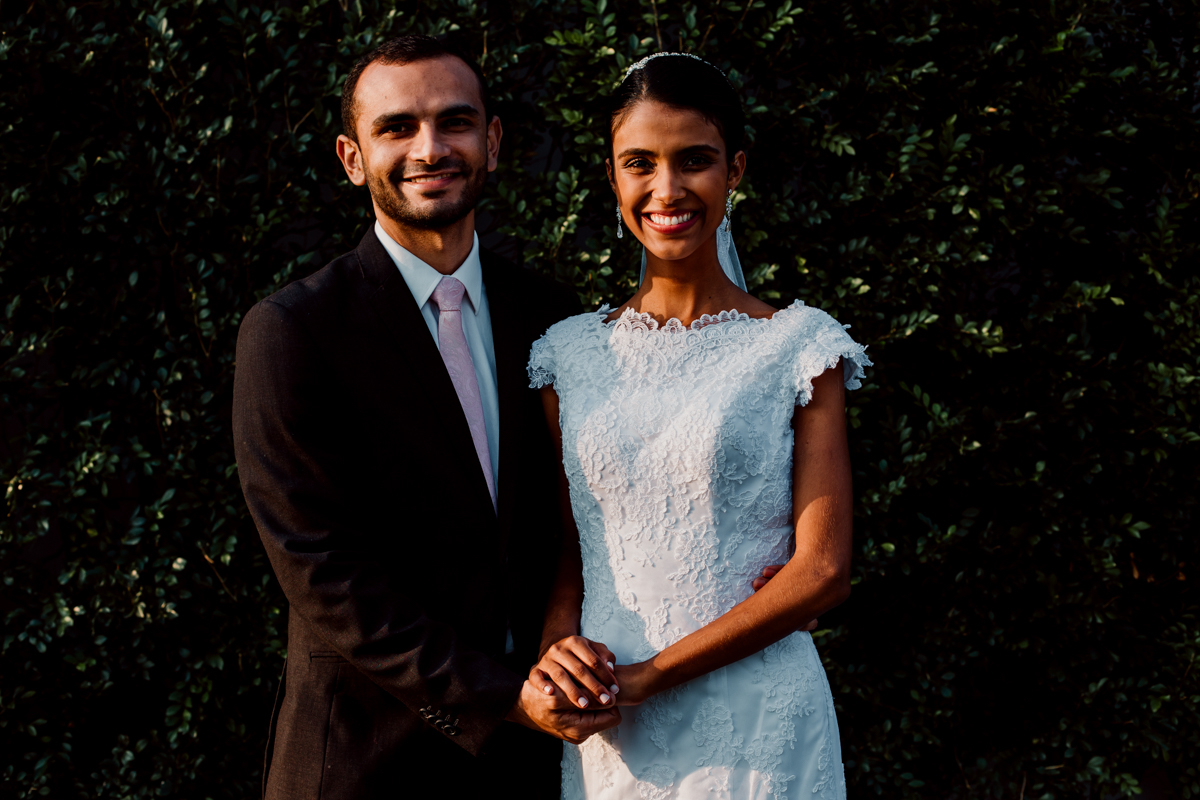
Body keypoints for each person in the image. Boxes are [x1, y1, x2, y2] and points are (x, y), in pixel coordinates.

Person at [232, 35, 614, 800]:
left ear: (493, 142)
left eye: (455, 122)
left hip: (535, 769)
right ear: (351, 156)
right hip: (366, 763)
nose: (429, 147)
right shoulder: (293, 331)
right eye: (397, 127)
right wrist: (506, 697)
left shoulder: (554, 320)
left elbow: (600, 506)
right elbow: (323, 573)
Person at [526, 53, 872, 800]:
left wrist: (653, 675)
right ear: (613, 177)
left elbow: (822, 571)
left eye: (695, 161)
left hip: (759, 719)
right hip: (612, 725)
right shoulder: (565, 356)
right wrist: (559, 654)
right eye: (639, 164)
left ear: (735, 170)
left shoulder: (799, 347)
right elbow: (572, 552)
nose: (667, 189)